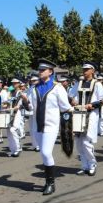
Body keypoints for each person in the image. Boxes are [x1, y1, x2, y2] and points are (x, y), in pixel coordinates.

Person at [27, 58, 72, 195]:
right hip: (37, 125)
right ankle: (48, 181)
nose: (40, 72)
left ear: (50, 72)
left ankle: (50, 183)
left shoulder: (57, 88)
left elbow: (65, 108)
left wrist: (68, 128)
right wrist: (24, 102)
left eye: (42, 70)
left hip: (51, 126)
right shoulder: (33, 88)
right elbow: (30, 107)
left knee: (46, 152)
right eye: (39, 70)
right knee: (43, 153)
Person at [70, 61, 103, 176]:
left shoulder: (97, 84)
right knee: (79, 142)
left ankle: (92, 164)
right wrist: (72, 100)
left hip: (91, 115)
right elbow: (70, 95)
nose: (84, 71)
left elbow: (102, 100)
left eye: (87, 69)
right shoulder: (78, 83)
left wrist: (92, 105)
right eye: (83, 69)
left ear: (92, 71)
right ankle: (84, 166)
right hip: (79, 113)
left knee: (86, 142)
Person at [5, 77, 24, 157]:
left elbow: (25, 104)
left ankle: (18, 148)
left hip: (17, 113)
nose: (14, 84)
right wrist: (5, 105)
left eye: (15, 83)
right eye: (13, 83)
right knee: (9, 131)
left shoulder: (21, 92)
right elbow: (8, 102)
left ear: (19, 83)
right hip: (10, 112)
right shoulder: (10, 92)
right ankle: (13, 150)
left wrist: (19, 106)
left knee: (13, 130)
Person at [26, 74, 39, 151]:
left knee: (37, 128)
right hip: (31, 111)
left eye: (35, 80)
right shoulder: (30, 88)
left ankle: (38, 145)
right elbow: (28, 99)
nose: (33, 82)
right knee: (31, 128)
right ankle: (34, 145)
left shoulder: (40, 88)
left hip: (38, 111)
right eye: (32, 81)